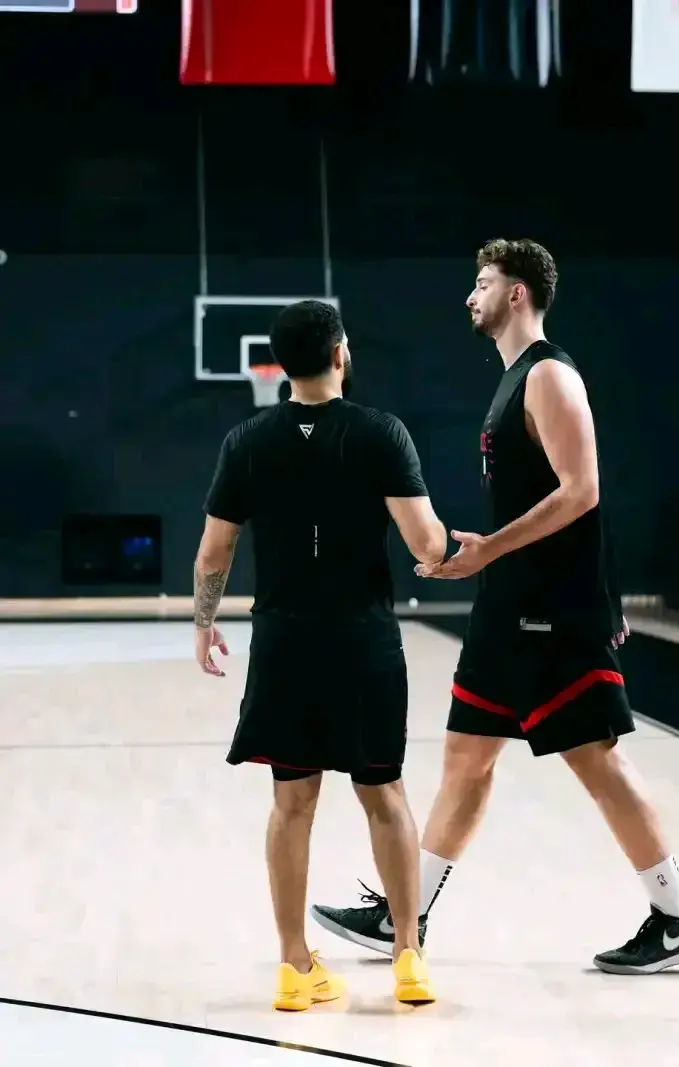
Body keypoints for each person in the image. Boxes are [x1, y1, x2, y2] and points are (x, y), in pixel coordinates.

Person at [310, 240, 679, 975]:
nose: (471, 295)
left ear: (518, 293)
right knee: (467, 758)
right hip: (511, 605)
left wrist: (494, 552)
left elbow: (582, 491)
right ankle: (406, 912)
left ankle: (678, 913)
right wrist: (478, 556)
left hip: (551, 608)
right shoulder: (512, 382)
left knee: (595, 757)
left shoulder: (550, 375)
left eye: (484, 282)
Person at [193, 299, 446, 1009]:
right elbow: (426, 542)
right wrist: (447, 550)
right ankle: (408, 957)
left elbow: (214, 551)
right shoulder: (381, 433)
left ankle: (293, 966)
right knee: (385, 794)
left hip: (285, 644)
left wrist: (203, 622)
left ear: (279, 364)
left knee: (291, 803)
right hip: (364, 641)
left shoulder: (245, 441)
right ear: (341, 353)